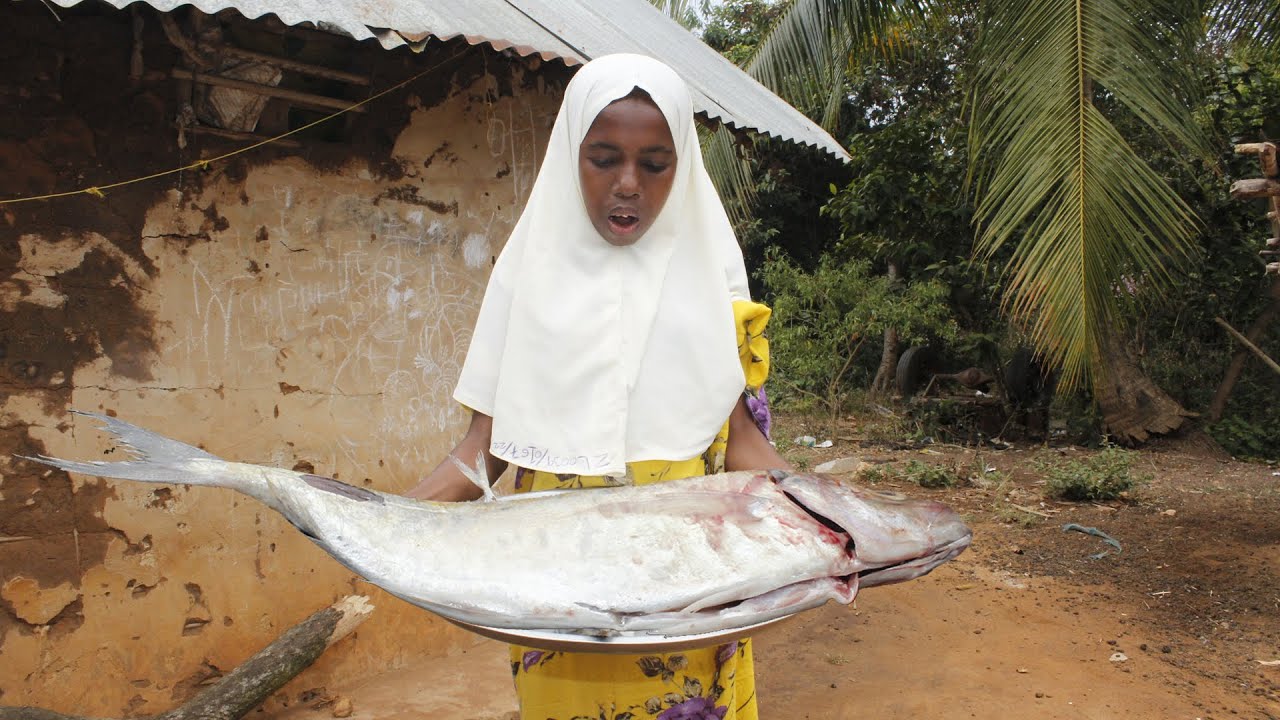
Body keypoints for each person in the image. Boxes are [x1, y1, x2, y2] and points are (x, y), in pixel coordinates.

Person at [408, 53, 790, 720]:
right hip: (562, 591)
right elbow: (486, 448)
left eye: (654, 163)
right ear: (570, 156)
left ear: (683, 168)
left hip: (690, 587)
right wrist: (385, 519)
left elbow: (744, 448)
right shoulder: (526, 280)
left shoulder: (712, 285)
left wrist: (832, 518)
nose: (628, 184)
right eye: (604, 157)